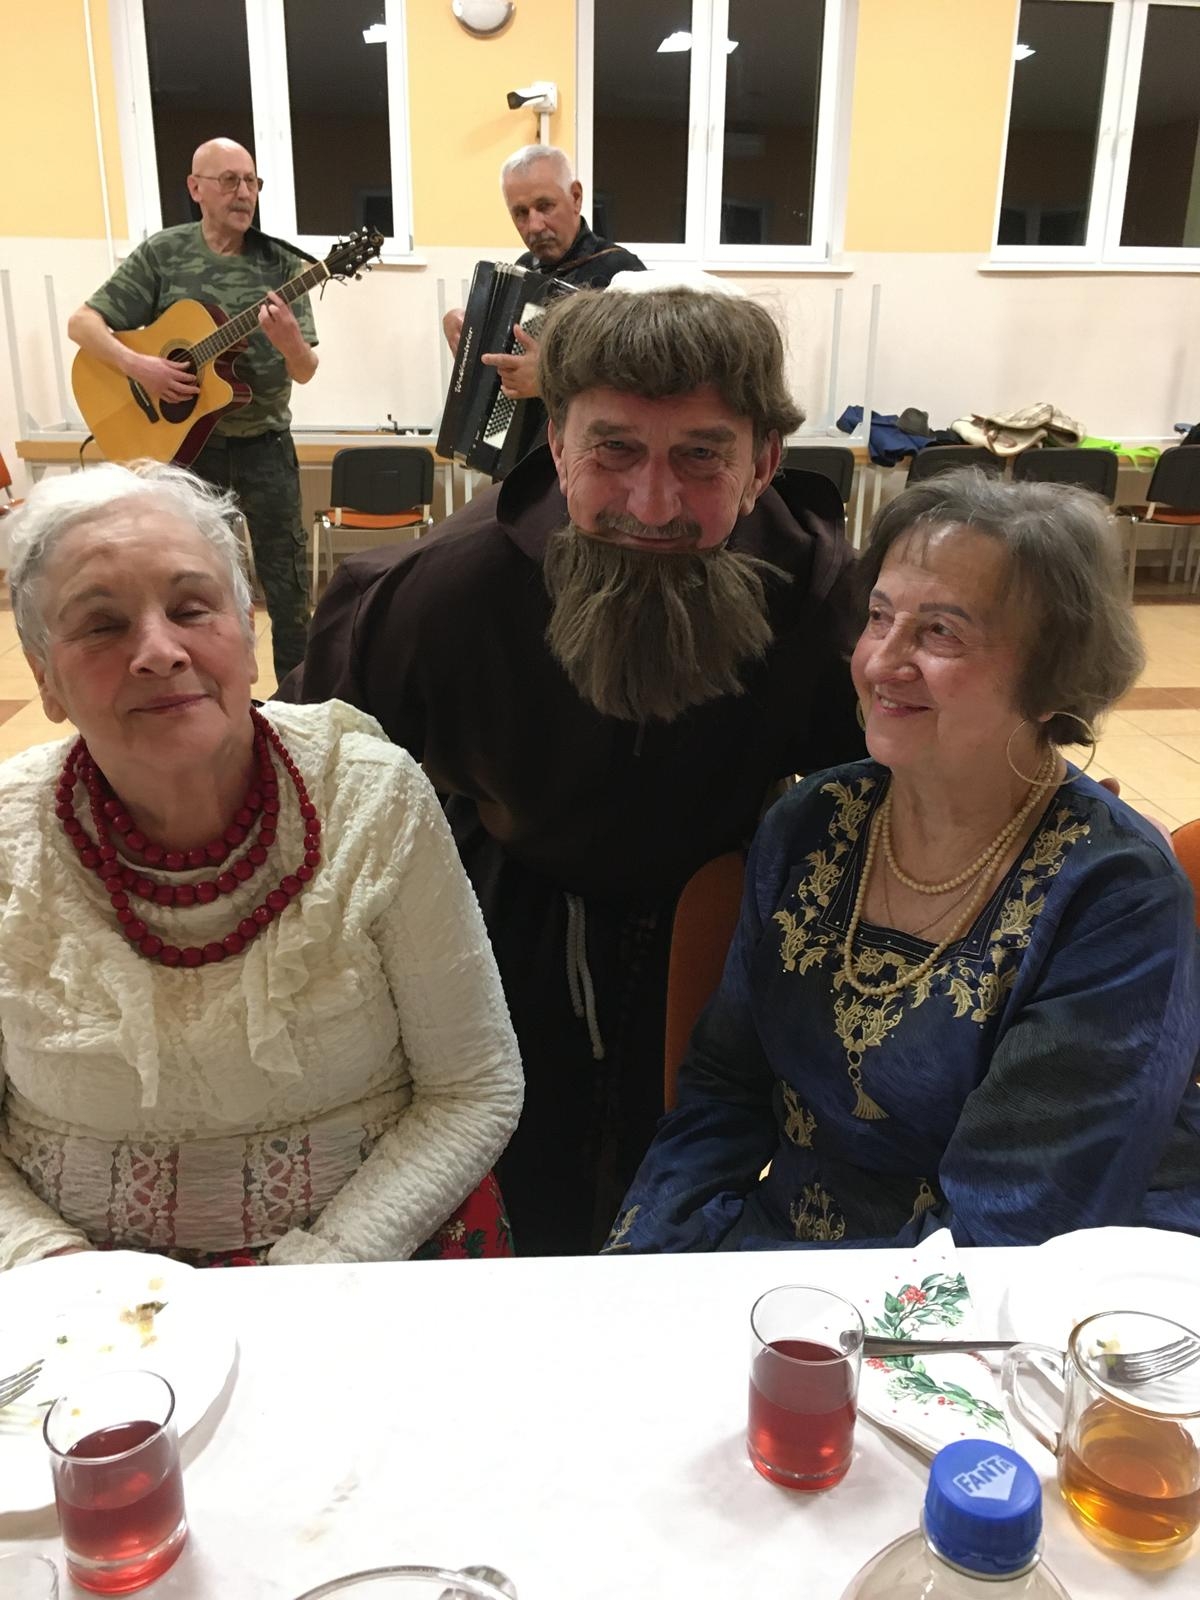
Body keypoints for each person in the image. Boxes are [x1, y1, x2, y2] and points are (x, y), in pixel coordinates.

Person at [278, 283, 864, 1255]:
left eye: (701, 456)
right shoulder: (438, 595)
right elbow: (308, 774)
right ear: (555, 445)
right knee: (517, 1192)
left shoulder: (816, 593)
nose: (652, 504)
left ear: (765, 462)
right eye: (614, 450)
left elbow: (900, 783)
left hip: (721, 936)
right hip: (499, 922)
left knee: (690, 1205)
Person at [606, 468, 1200, 1253]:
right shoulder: (815, 822)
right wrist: (646, 1261)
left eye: (941, 632)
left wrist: (794, 1309)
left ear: (1054, 673)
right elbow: (721, 1091)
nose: (883, 661)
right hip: (788, 1258)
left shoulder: (1113, 891)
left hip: (1008, 1286)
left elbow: (1018, 1220)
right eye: (880, 617)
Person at [0, 461, 523, 1271]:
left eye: (191, 608)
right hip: (80, 1297)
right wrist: (61, 1273)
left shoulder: (371, 794)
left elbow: (474, 1085)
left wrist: (318, 1271)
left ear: (249, 636)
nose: (158, 651)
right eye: (101, 625)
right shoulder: (8, 833)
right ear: (45, 676)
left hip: (373, 1264)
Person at [68, 137, 316, 683]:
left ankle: (299, 699)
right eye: (229, 180)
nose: (244, 192)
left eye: (251, 181)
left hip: (266, 446)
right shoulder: (164, 254)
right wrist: (141, 367)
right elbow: (82, 324)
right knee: (196, 581)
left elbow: (305, 369)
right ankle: (214, 691)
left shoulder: (282, 263)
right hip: (185, 453)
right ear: (195, 188)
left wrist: (291, 342)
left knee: (288, 582)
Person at [442, 145, 645, 468]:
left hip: (596, 465)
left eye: (545, 206)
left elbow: (644, 378)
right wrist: (463, 327)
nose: (534, 225)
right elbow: (501, 363)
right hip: (522, 459)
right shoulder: (523, 271)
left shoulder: (622, 274)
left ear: (575, 197)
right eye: (520, 213)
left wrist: (549, 379)